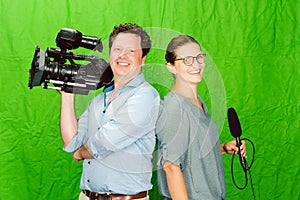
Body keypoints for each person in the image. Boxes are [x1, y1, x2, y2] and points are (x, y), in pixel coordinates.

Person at [59, 23, 160, 200]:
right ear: (110, 54)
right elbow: (71, 144)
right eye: (118, 49)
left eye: (131, 51)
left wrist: (80, 153)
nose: (122, 55)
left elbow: (103, 144)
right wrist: (68, 95)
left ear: (143, 59)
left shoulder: (146, 97)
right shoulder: (98, 100)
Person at [156, 35, 246, 200]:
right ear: (171, 67)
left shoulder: (199, 102)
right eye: (187, 59)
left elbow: (191, 148)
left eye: (199, 57)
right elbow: (170, 166)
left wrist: (223, 148)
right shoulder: (174, 107)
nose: (196, 64)